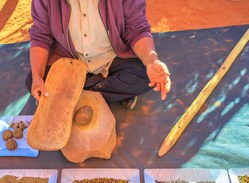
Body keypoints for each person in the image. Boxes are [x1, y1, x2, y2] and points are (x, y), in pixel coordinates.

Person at [26, 0, 171, 109]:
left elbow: (137, 29)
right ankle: (107, 93)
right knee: (35, 79)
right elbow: (41, 36)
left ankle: (71, 96)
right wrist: (37, 77)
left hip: (112, 57)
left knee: (143, 75)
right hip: (70, 59)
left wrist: (151, 61)